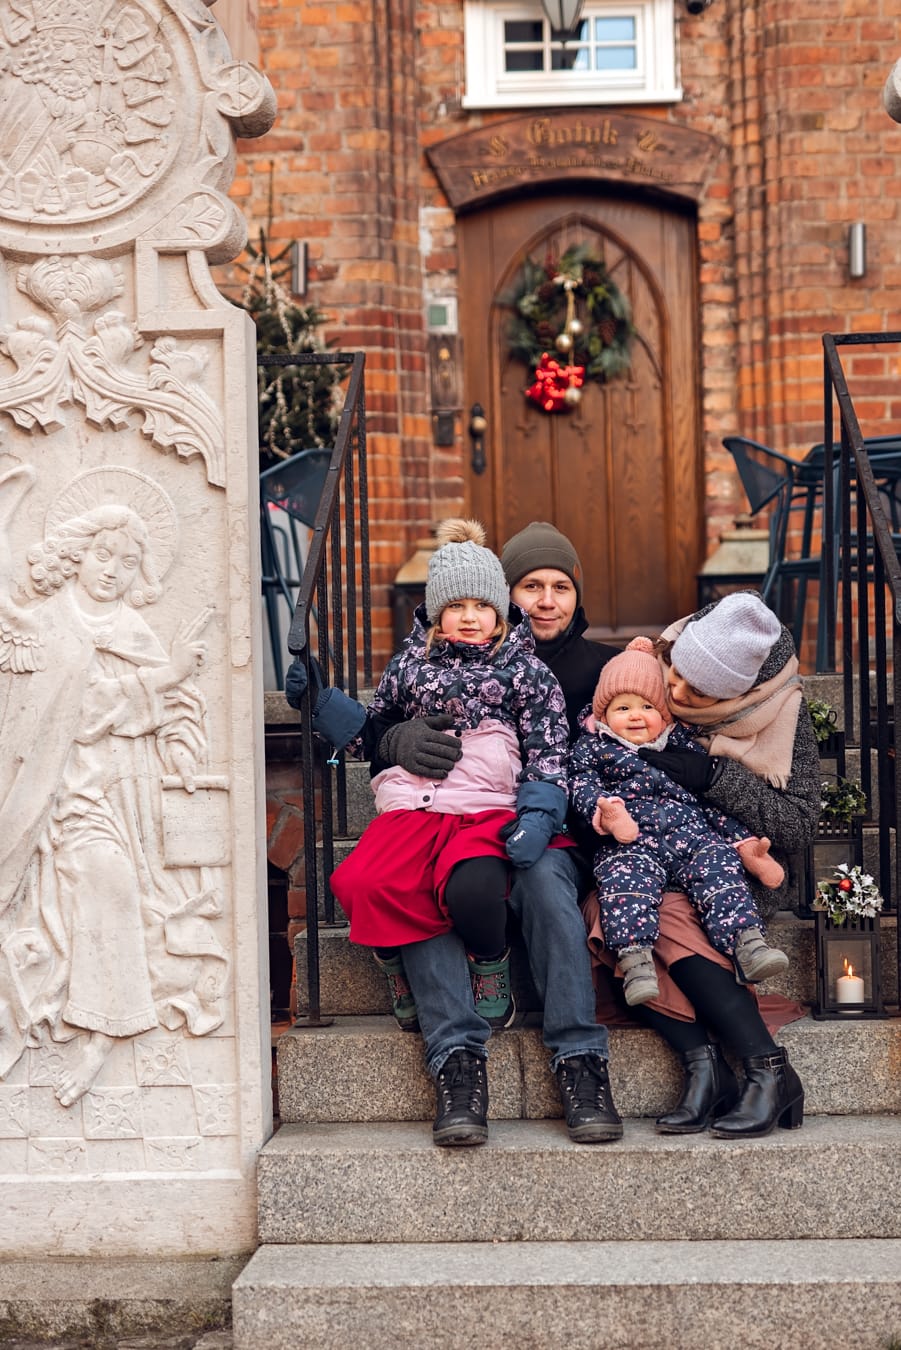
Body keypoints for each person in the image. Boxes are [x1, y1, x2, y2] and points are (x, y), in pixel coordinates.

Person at [292, 518, 622, 1148]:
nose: (546, 599)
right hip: (436, 805)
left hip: (535, 819)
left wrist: (540, 812)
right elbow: (377, 724)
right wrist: (380, 734)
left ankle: (580, 1060)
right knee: (408, 876)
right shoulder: (418, 663)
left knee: (546, 890)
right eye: (532, 585)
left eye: (560, 586)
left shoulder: (583, 667)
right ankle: (457, 1060)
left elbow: (562, 751)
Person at [0, 466, 227, 1108]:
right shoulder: (44, 626)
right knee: (106, 879)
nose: (112, 571)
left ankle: (101, 1034)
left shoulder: (135, 632)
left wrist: (181, 749)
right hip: (50, 797)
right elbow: (74, 710)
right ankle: (85, 1027)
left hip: (122, 799)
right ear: (78, 554)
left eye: (128, 563)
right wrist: (157, 683)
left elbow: (180, 707)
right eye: (103, 554)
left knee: (118, 882)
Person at [582, 589, 819, 1138]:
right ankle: (709, 1067)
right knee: (610, 910)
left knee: (662, 918)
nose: (677, 692)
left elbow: (800, 825)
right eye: (678, 674)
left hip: (731, 861)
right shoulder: (657, 670)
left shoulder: (780, 714)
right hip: (644, 854)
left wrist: (714, 777)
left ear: (740, 690)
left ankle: (762, 1066)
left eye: (701, 690)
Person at [569, 635, 788, 1008]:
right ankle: (636, 962)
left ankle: (748, 945)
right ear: (602, 715)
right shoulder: (594, 749)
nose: (635, 715)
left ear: (665, 715)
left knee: (720, 868)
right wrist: (605, 812)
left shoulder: (682, 747)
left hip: (691, 837)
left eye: (647, 706)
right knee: (624, 884)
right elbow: (581, 786)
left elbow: (708, 805)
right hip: (631, 841)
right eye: (622, 707)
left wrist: (744, 845)